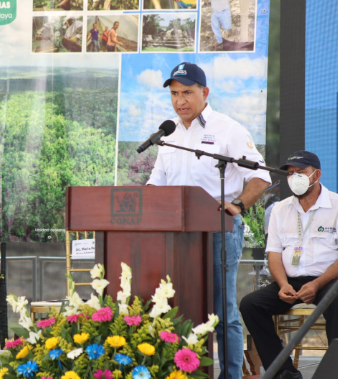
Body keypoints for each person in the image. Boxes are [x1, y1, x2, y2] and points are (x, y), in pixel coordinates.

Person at [146, 62, 271, 379]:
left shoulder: (228, 128)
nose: (180, 101)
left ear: (205, 92)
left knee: (223, 309)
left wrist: (238, 204)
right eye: (174, 94)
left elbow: (261, 177)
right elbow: (155, 184)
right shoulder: (169, 134)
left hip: (218, 232)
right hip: (175, 236)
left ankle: (230, 375)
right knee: (179, 306)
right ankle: (183, 373)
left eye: (187, 92)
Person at [240, 151, 338, 379]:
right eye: (291, 173)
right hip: (291, 281)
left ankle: (337, 371)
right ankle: (284, 373)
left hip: (328, 280)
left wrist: (317, 284)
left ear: (316, 175)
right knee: (251, 304)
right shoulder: (280, 209)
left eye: (301, 173)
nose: (295, 178)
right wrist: (283, 284)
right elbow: (274, 253)